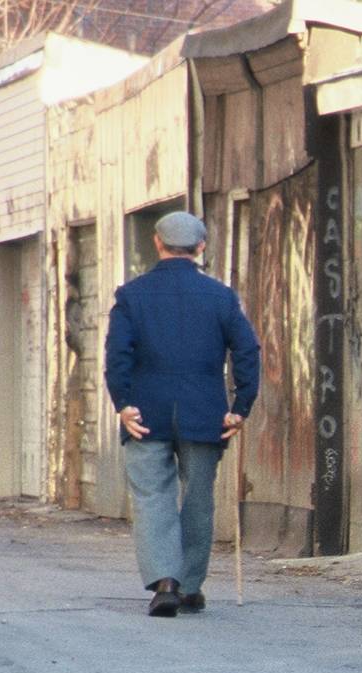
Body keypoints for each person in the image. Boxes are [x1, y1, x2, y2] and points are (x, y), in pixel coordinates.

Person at [104, 210, 261, 617]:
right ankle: (190, 586)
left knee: (152, 497)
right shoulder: (221, 297)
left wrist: (122, 403)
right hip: (204, 411)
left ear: (157, 243)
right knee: (198, 498)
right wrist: (240, 407)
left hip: (146, 410)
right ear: (201, 247)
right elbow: (247, 351)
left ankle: (166, 583)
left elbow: (117, 355)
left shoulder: (131, 295)